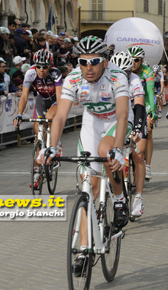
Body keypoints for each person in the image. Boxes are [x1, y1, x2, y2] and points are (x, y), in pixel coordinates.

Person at [39, 36, 130, 274]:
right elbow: (60, 116)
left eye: (95, 61)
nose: (88, 67)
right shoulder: (73, 79)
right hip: (92, 122)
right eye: (82, 61)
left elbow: (122, 115)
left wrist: (118, 149)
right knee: (88, 186)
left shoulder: (117, 76)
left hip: (115, 122)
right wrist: (53, 146)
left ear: (105, 61)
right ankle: (82, 249)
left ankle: (120, 199)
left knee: (106, 152)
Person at [14, 49, 63, 188]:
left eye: (45, 67)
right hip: (41, 100)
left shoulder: (56, 73)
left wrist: (58, 113)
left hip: (55, 100)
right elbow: (24, 96)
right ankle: (36, 174)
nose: (41, 70)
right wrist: (19, 114)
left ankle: (57, 143)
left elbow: (60, 97)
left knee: (50, 117)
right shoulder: (30, 73)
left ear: (50, 65)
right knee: (38, 137)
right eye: (38, 66)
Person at [110, 51, 147, 217]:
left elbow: (139, 105)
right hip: (117, 116)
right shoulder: (109, 78)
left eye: (127, 72)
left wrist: (138, 128)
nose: (124, 75)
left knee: (138, 156)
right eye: (120, 72)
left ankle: (138, 198)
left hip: (135, 114)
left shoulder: (135, 80)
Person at [128, 45, 157, 180]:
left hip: (144, 102)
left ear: (142, 60)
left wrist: (152, 110)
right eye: (131, 60)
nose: (133, 63)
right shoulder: (125, 70)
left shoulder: (147, 71)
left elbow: (150, 93)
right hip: (130, 103)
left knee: (149, 131)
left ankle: (148, 165)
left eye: (137, 60)